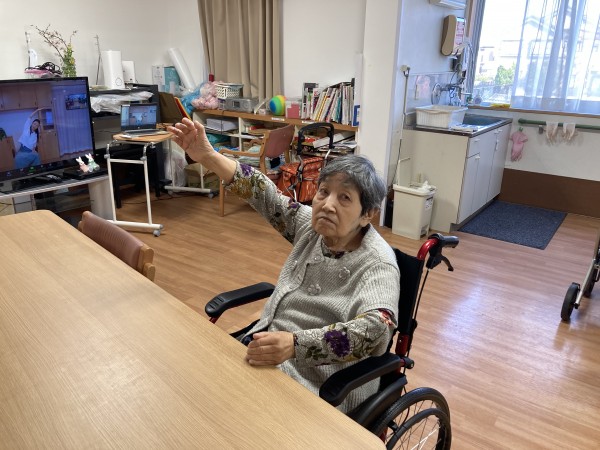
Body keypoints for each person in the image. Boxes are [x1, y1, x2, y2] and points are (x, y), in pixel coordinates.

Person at [168, 118, 400, 413]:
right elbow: (262, 192)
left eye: (344, 198)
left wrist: (296, 345)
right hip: (268, 350)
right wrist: (208, 156)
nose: (327, 205)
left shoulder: (377, 264)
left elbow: (377, 330)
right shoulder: (311, 228)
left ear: (368, 213)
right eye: (323, 191)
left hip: (323, 381)